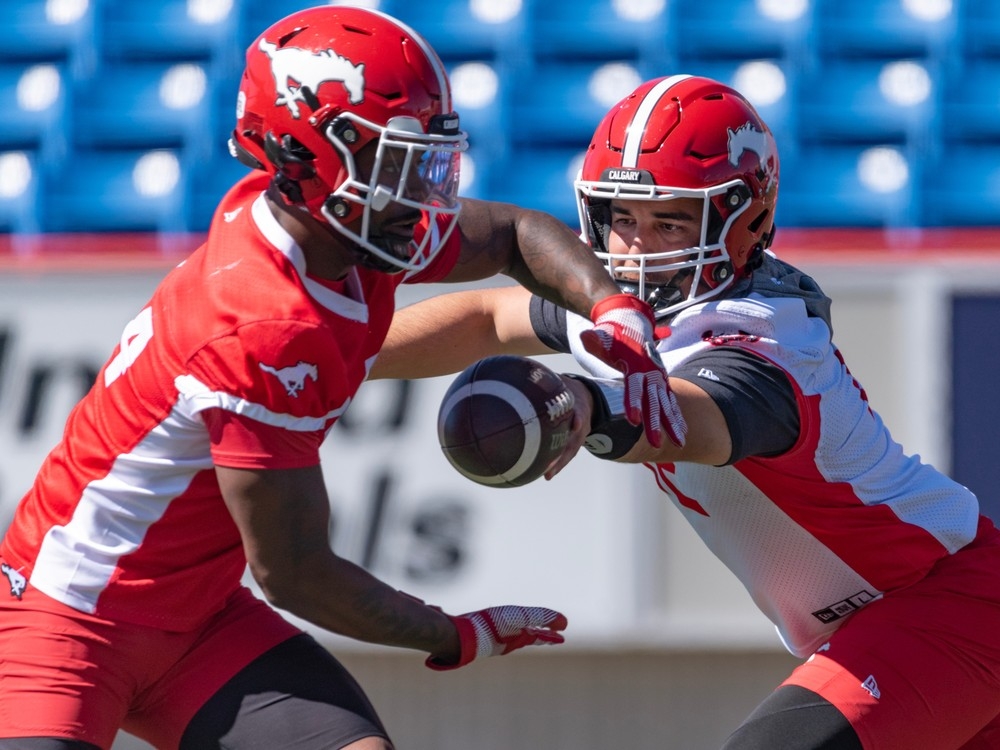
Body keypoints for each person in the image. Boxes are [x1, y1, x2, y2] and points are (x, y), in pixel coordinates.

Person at [0, 8, 678, 750]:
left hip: (197, 618)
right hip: (69, 621)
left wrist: (614, 306)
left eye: (427, 160)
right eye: (398, 164)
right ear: (304, 156)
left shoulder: (335, 228)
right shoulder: (265, 322)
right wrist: (455, 634)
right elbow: (294, 572)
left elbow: (516, 235)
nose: (421, 190)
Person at [370, 74, 1000, 749]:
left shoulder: (766, 335)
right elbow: (487, 316)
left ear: (746, 220)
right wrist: (341, 351)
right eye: (622, 217)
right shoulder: (636, 308)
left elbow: (695, 418)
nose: (636, 247)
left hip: (949, 603)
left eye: (669, 221)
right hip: (891, 627)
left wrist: (581, 402)